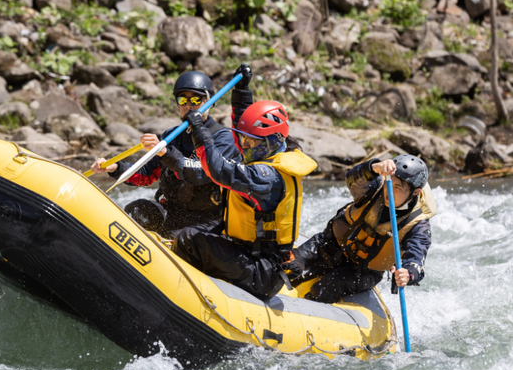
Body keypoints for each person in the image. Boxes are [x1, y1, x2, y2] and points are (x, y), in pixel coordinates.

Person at [173, 100, 318, 300]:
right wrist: (242, 91)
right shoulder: (271, 156)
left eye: (252, 141)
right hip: (255, 258)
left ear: (273, 140)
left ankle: (180, 299)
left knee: (189, 239)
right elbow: (248, 124)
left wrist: (198, 129)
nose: (245, 145)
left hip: (261, 271)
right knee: (199, 230)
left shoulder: (267, 176)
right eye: (243, 138)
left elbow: (220, 171)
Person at [89, 68, 244, 238]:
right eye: (182, 99)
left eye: (195, 99)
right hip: (171, 212)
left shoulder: (223, 138)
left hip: (205, 222)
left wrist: (165, 153)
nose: (188, 105)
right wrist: (115, 167)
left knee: (181, 237)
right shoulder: (171, 136)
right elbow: (146, 174)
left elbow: (202, 173)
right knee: (136, 210)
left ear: (209, 101)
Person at [289, 155, 436, 303]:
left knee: (327, 286)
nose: (389, 191)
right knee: (289, 264)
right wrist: (372, 168)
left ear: (415, 192)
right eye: (389, 184)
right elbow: (351, 179)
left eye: (397, 188)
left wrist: (408, 274)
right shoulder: (375, 185)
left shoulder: (418, 225)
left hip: (363, 272)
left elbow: (416, 260)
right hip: (328, 245)